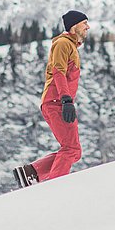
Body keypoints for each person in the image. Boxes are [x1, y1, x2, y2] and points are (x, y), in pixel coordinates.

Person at [13, 10, 90, 187]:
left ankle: (30, 173)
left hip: (59, 102)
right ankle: (54, 187)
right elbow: (58, 72)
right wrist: (66, 100)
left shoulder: (70, 46)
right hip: (57, 102)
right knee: (71, 149)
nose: (88, 26)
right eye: (84, 22)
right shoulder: (63, 43)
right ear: (73, 26)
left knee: (74, 151)